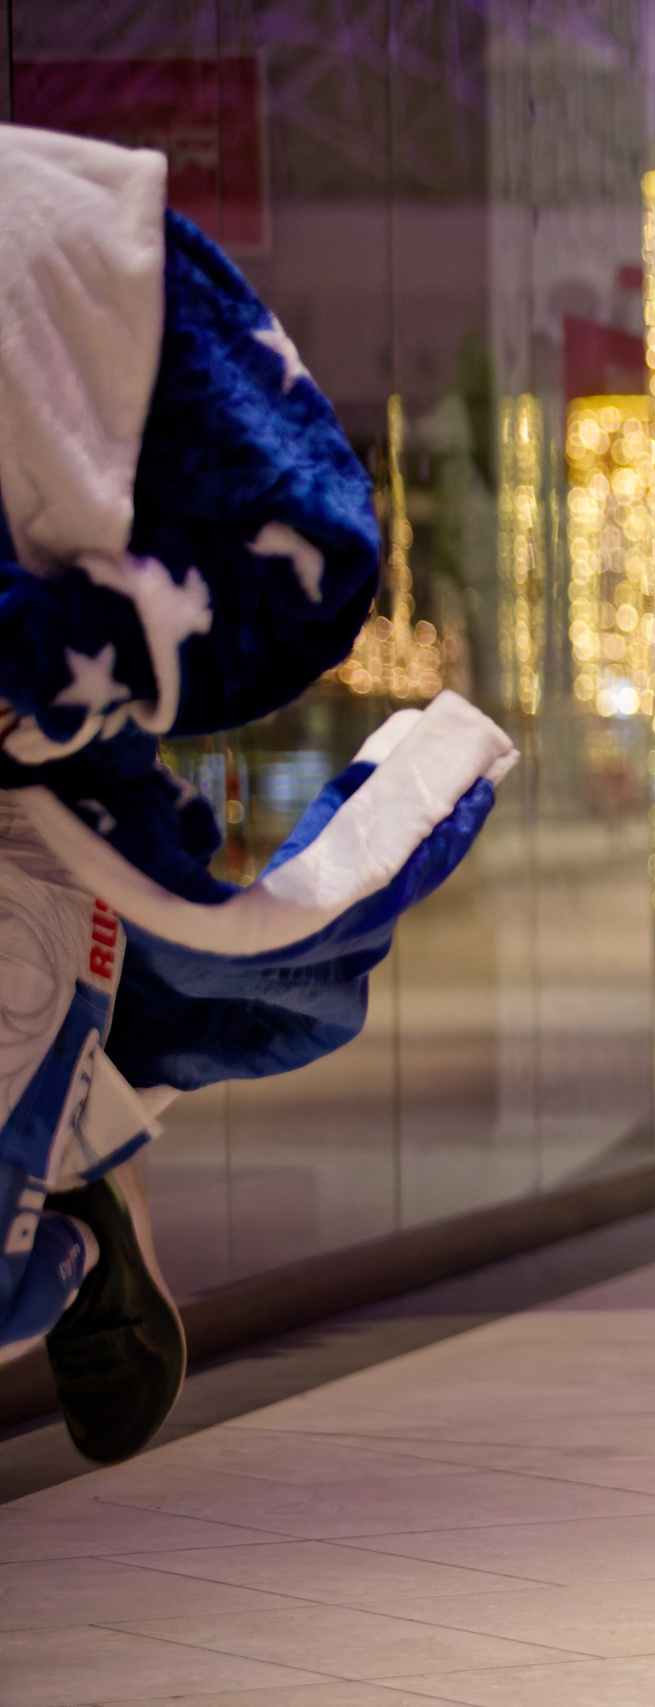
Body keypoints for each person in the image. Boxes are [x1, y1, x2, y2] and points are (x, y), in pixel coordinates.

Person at [0, 124, 514, 1462]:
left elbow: (305, 545)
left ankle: (69, 1174)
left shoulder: (67, 235)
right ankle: (73, 1164)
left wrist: (73, 647)